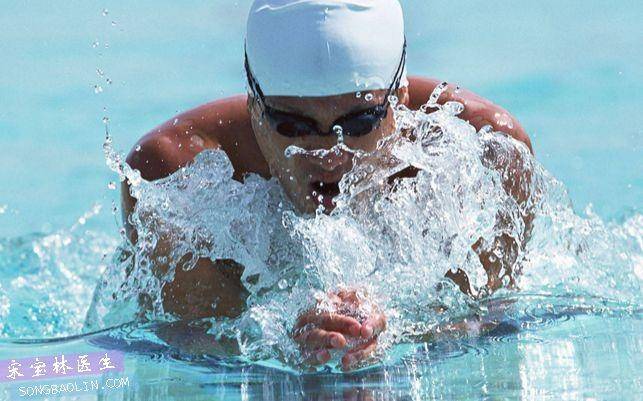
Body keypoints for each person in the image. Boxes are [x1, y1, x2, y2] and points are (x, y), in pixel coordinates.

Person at [121, 0, 533, 370]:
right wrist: (279, 339)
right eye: (292, 125)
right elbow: (190, 346)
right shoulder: (173, 179)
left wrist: (395, 331)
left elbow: (486, 323)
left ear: (400, 99)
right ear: (254, 108)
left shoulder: (490, 154)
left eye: (359, 122)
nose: (328, 154)